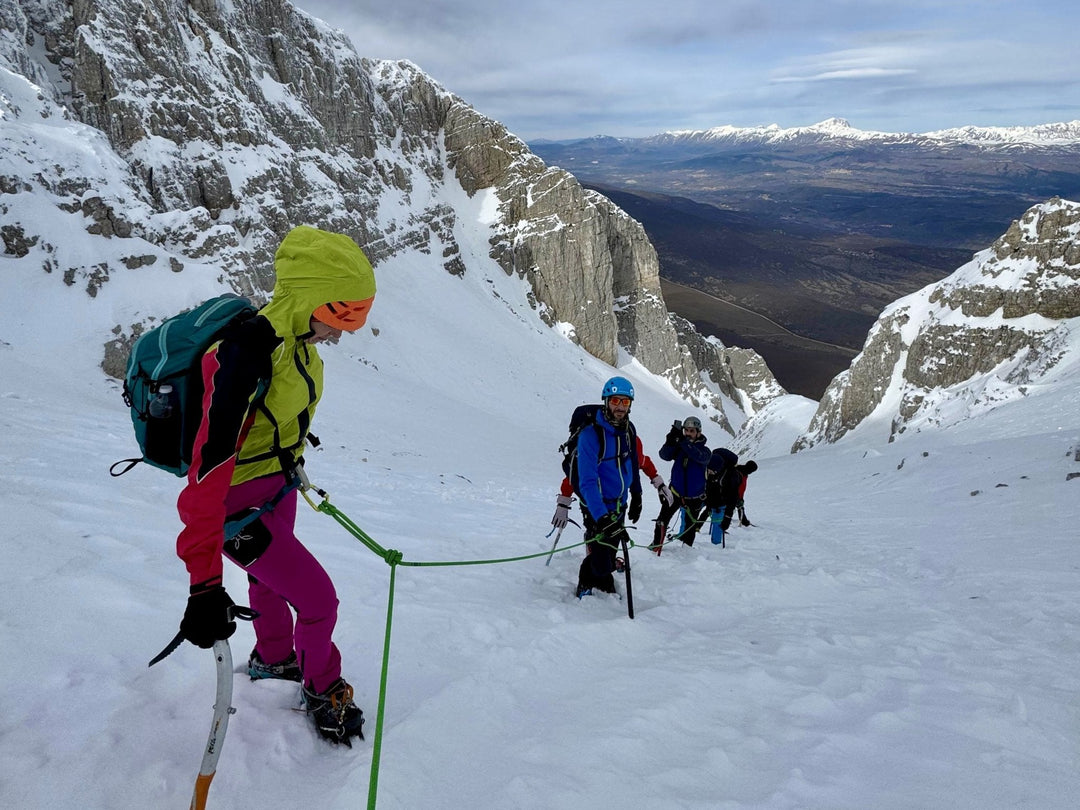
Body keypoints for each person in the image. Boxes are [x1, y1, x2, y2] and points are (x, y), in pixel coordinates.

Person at [174, 225, 376, 746]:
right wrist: (203, 584)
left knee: (268, 582)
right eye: (342, 314)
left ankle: (274, 658)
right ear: (310, 297)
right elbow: (207, 473)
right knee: (318, 600)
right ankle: (322, 688)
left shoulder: (300, 346)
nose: (346, 330)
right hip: (235, 509)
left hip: (276, 489)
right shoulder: (246, 354)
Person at [562, 376, 641, 597]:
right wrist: (602, 518)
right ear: (606, 401)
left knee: (610, 548)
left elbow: (633, 463)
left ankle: (603, 578)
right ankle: (586, 582)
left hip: (620, 504)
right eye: (615, 400)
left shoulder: (629, 430)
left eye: (625, 402)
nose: (620, 407)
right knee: (600, 558)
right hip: (596, 506)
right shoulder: (591, 435)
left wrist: (637, 494)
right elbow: (587, 482)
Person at [652, 416, 711, 551]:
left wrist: (682, 441)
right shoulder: (680, 446)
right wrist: (670, 441)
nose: (688, 433)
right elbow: (664, 455)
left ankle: (687, 550)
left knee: (690, 526)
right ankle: (656, 546)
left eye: (691, 431)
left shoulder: (705, 451)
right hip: (675, 493)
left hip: (695, 497)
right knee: (662, 521)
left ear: (698, 432)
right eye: (686, 430)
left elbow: (698, 456)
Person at [704, 450, 756, 546]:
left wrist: (727, 517)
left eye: (711, 470)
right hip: (716, 501)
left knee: (716, 523)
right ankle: (715, 546)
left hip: (721, 503)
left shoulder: (731, 476)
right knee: (716, 522)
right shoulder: (717, 473)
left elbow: (732, 498)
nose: (709, 472)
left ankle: (715, 547)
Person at [735, 460, 758, 526]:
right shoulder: (739, 472)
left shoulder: (744, 472)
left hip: (739, 495)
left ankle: (743, 521)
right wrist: (738, 497)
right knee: (731, 508)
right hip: (734, 495)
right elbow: (737, 486)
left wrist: (741, 497)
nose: (751, 472)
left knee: (740, 508)